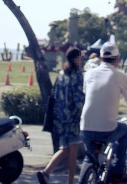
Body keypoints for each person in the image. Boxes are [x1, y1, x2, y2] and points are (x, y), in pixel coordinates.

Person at [79, 42, 127, 184]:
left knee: (89, 158)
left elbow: (87, 93)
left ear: (101, 58)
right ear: (117, 59)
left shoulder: (88, 74)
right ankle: (118, 172)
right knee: (124, 130)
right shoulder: (120, 76)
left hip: (85, 127)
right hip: (107, 129)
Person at [37, 47, 85, 184]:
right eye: (80, 57)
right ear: (75, 59)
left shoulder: (61, 73)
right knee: (73, 148)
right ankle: (70, 181)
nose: (81, 60)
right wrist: (84, 111)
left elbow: (54, 94)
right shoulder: (77, 75)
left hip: (60, 118)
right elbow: (78, 99)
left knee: (65, 149)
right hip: (73, 118)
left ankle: (46, 172)